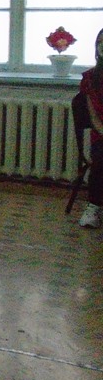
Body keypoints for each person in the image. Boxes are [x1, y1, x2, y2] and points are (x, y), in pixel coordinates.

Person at [77, 27, 103, 229]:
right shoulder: (90, 78)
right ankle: (94, 206)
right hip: (101, 135)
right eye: (100, 42)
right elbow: (93, 115)